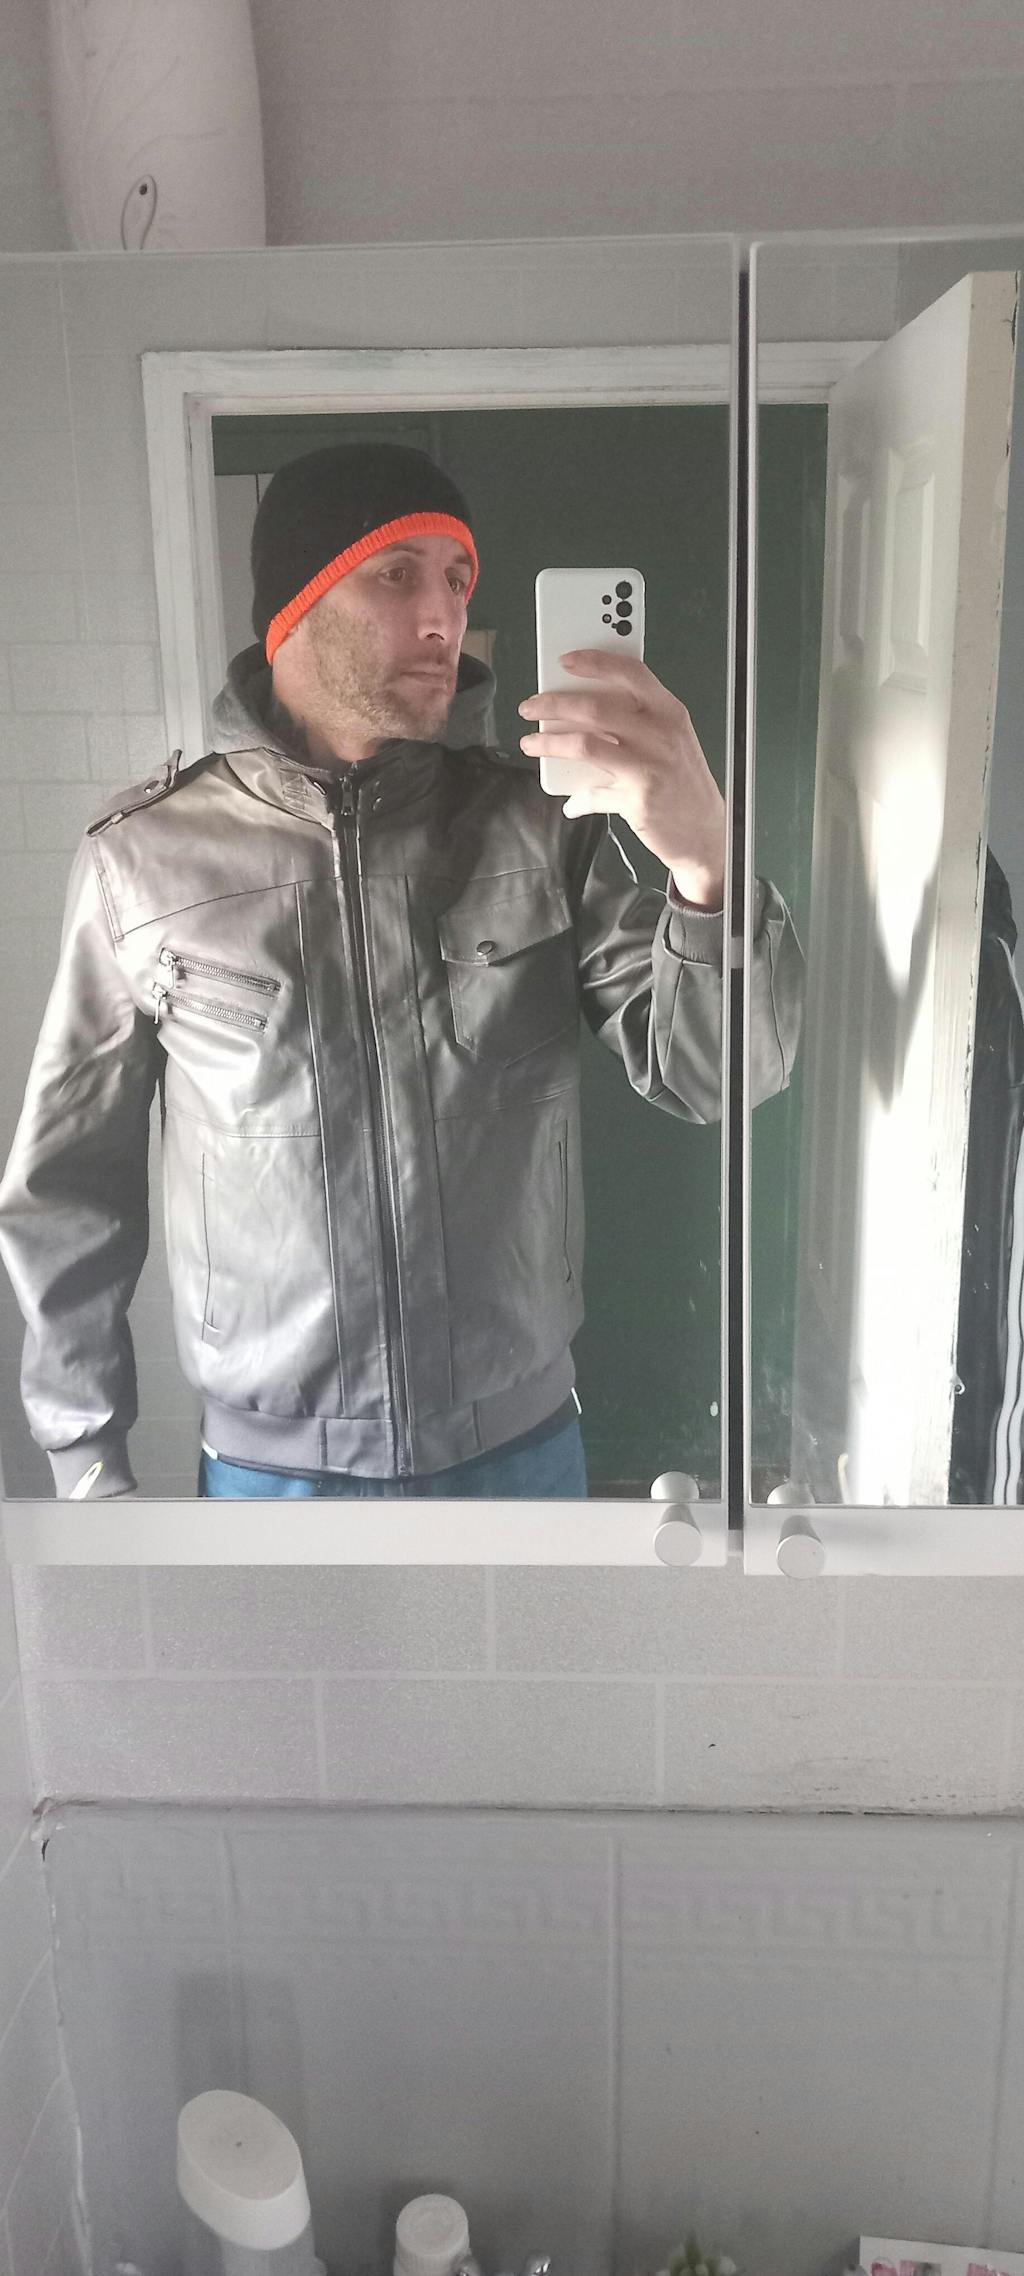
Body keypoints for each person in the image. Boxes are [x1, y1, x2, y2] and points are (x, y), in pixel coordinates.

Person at [0, 443, 802, 1502]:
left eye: (458, 579)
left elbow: (717, 1076)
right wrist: (85, 1456)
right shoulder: (144, 859)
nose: (443, 616)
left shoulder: (541, 823)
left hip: (520, 1449)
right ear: (294, 608)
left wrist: (707, 867)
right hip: (270, 1473)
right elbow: (69, 1187)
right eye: (397, 574)